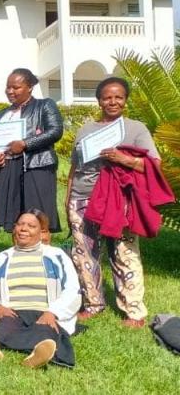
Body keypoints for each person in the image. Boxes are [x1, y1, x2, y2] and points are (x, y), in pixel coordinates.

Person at [66, 77, 166, 327]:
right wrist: (68, 199)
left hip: (116, 200)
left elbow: (154, 164)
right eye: (107, 97)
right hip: (81, 198)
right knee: (84, 252)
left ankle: (133, 310)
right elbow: (74, 168)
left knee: (124, 252)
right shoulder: (85, 130)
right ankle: (93, 303)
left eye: (118, 97)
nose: (113, 101)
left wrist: (124, 159)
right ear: (99, 100)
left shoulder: (135, 128)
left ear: (125, 100)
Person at [0, 210, 81, 369]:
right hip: (13, 312)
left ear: (40, 232)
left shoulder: (56, 256)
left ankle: (36, 354)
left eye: (31, 226)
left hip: (44, 312)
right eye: (21, 224)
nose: (24, 229)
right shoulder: (2, 258)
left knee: (45, 332)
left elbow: (72, 289)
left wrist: (53, 312)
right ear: (15, 228)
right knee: (3, 327)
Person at [0, 68, 64, 233]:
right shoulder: (1, 115)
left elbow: (55, 131)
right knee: (14, 215)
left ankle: (43, 252)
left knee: (38, 214)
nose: (10, 91)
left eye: (16, 87)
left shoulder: (44, 105)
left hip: (36, 165)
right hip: (9, 168)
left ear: (30, 87)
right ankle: (18, 250)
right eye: (8, 87)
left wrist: (25, 143)